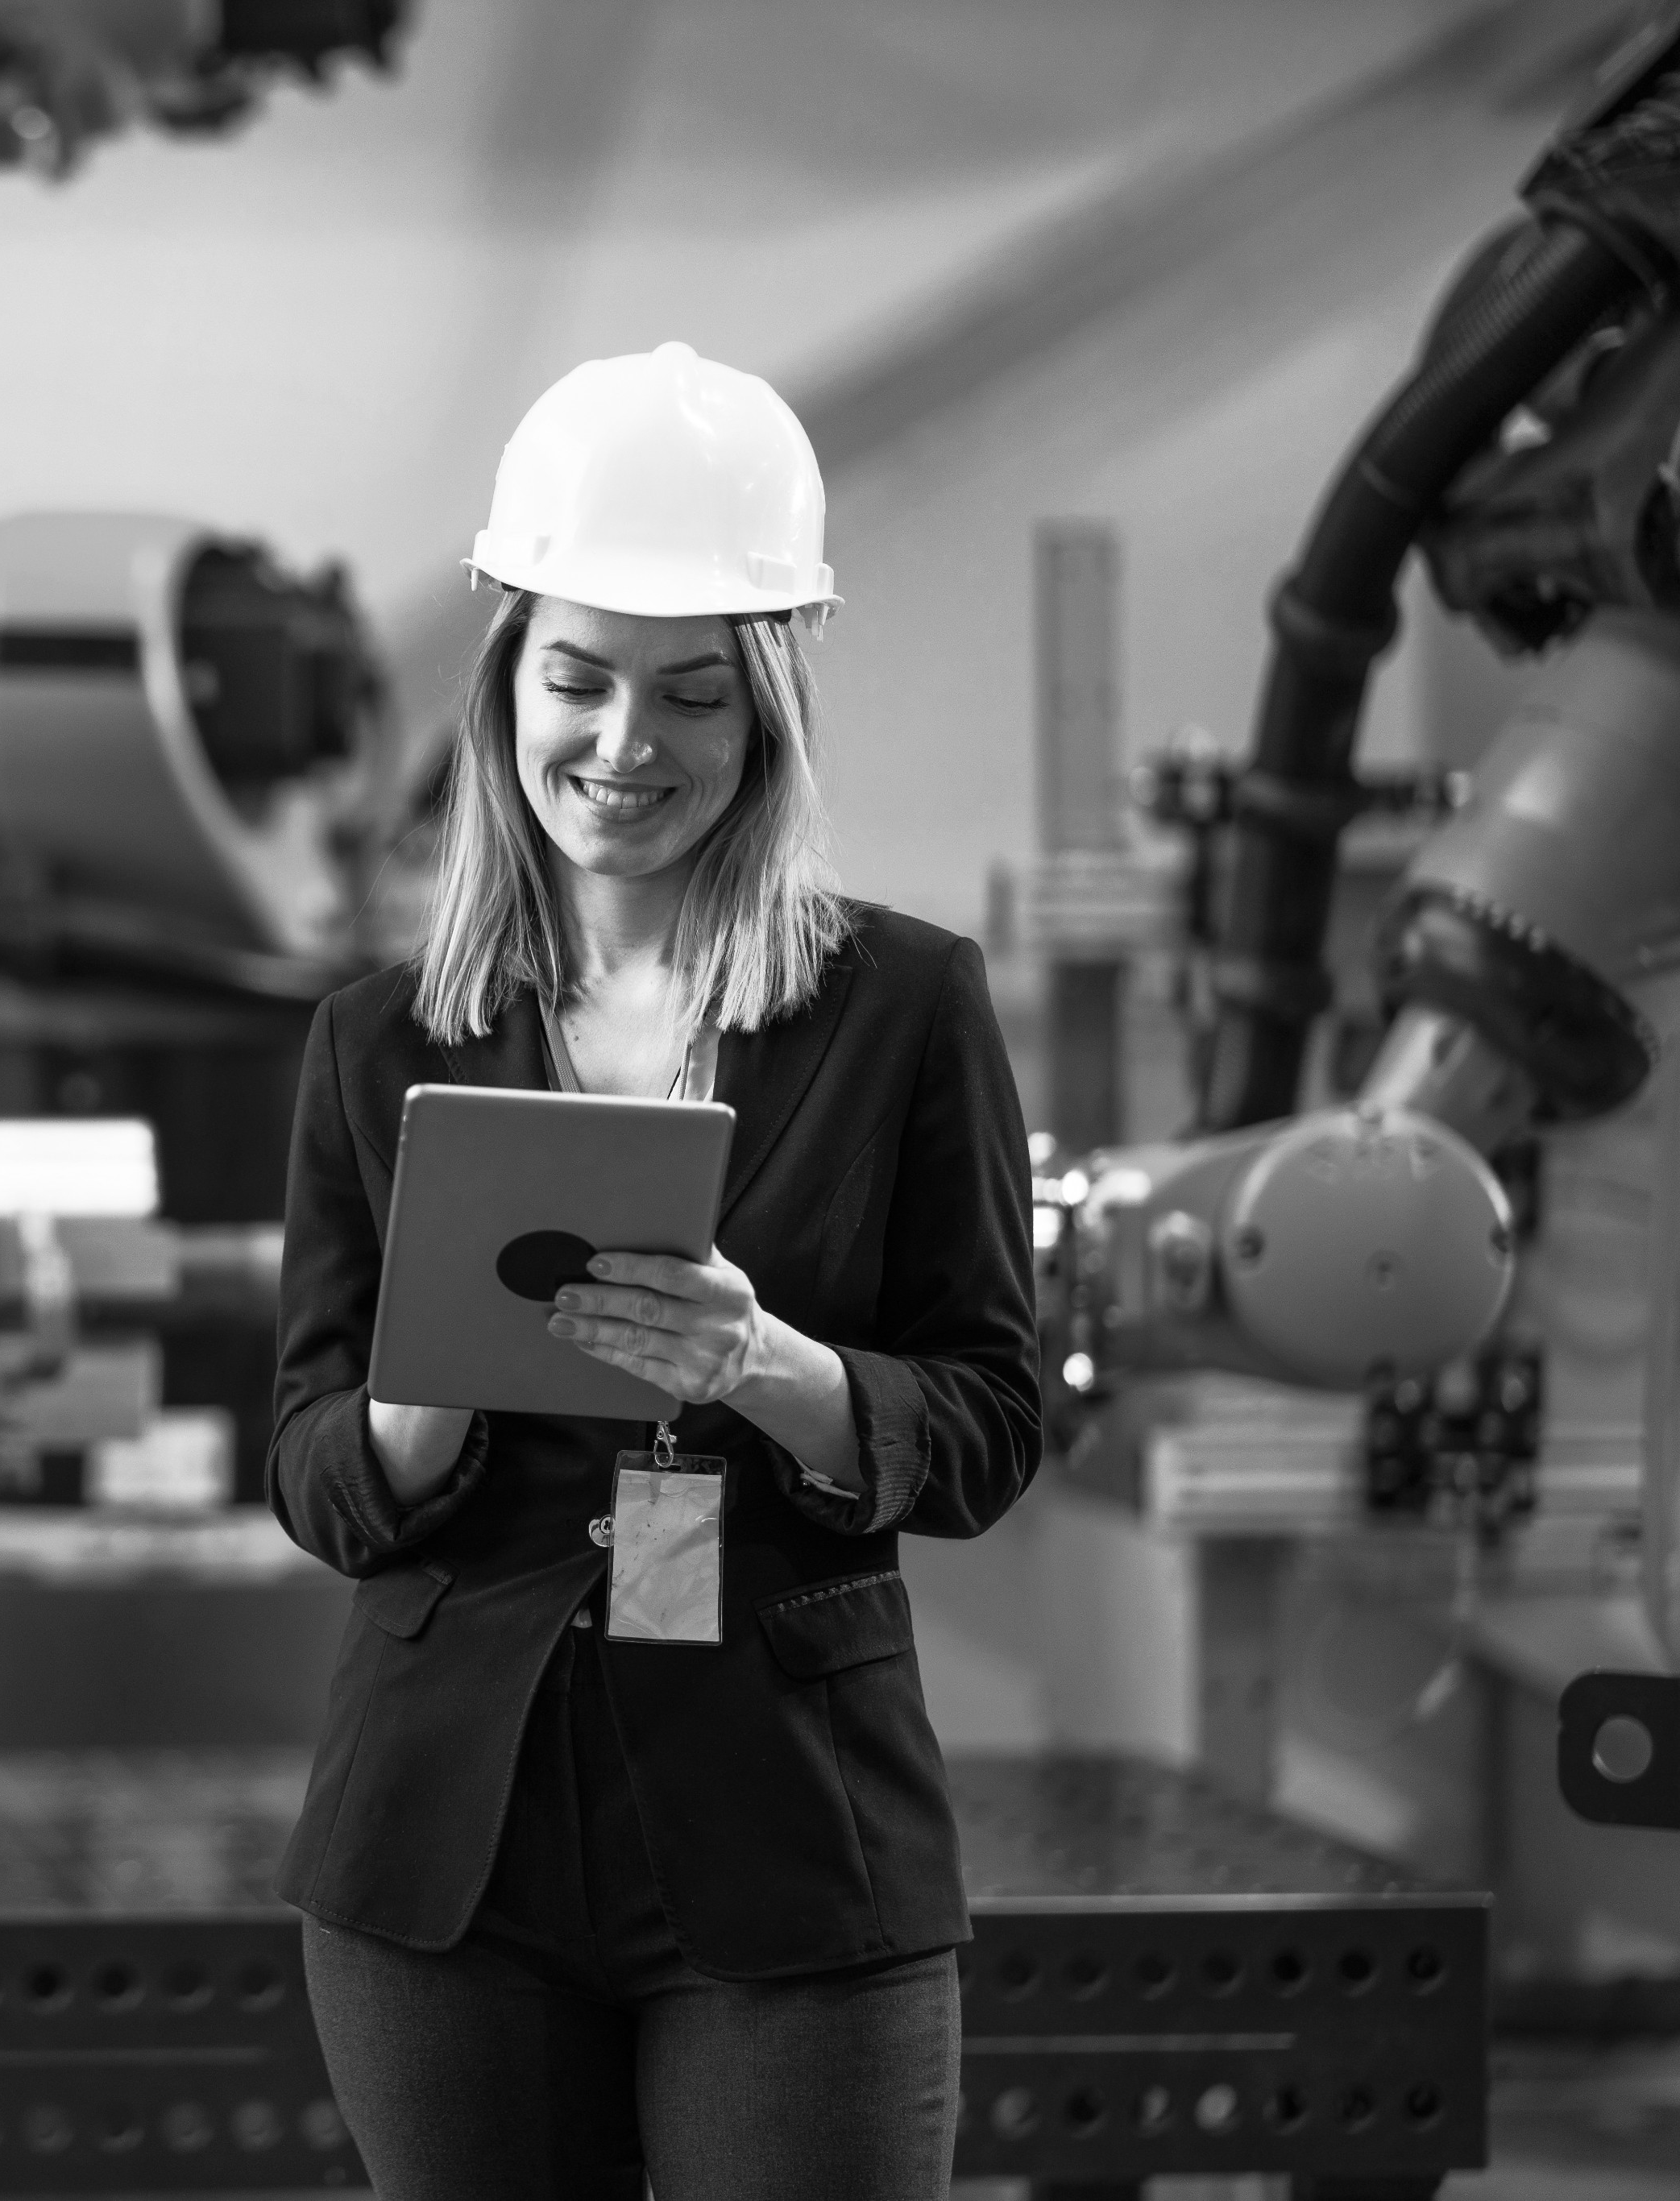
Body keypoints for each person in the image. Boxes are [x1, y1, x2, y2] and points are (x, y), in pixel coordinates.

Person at [270, 342, 1042, 2200]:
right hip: (443, 1851)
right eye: (577, 679)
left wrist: (768, 1364)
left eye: (688, 693)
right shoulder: (377, 1042)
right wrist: (414, 1404)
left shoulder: (901, 1007)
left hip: (785, 1831)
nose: (623, 745)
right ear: (504, 687)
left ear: (761, 711)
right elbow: (304, 1461)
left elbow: (992, 1417)